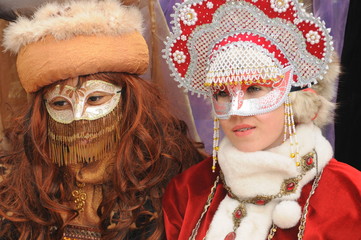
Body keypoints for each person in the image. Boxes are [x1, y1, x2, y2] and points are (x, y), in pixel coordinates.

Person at [0, 0, 204, 239]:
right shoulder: (15, 181)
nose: (78, 119)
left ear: (130, 100)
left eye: (95, 99)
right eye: (60, 103)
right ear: (42, 113)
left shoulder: (173, 175)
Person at [162, 0, 361, 239]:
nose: (237, 111)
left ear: (296, 99)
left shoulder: (351, 194)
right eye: (222, 93)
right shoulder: (187, 190)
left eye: (255, 88)